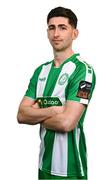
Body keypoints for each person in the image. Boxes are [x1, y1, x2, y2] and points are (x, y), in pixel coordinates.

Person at [17, 6, 96, 179]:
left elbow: (67, 123)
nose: (56, 33)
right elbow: (21, 115)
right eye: (51, 28)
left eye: (62, 27)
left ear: (74, 34)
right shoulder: (40, 72)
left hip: (71, 170)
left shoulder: (84, 72)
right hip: (43, 165)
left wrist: (37, 113)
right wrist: (55, 110)